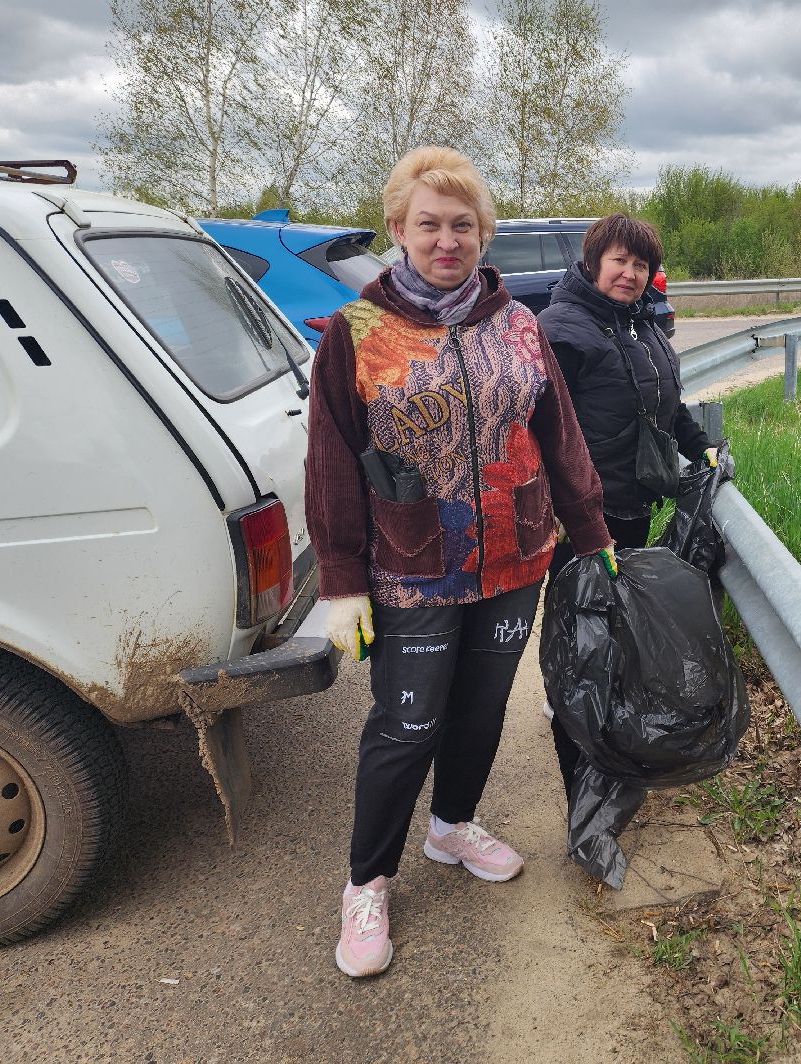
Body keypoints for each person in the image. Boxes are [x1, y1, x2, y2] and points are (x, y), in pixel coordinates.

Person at [305, 146, 616, 978]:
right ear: (399, 230)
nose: (449, 241)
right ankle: (366, 879)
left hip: (516, 556)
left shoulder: (519, 324)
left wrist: (591, 533)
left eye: (465, 226)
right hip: (413, 564)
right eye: (430, 225)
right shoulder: (355, 335)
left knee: (480, 712)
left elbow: (560, 435)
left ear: (484, 234)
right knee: (407, 723)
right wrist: (341, 581)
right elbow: (332, 460)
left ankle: (452, 825)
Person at [536, 213, 719, 801]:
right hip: (583, 518)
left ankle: (617, 746)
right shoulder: (563, 331)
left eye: (641, 265)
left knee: (616, 641)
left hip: (631, 506)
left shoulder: (638, 327)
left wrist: (702, 449)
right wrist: (567, 510)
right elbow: (537, 433)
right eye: (620, 260)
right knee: (585, 645)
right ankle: (583, 779)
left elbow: (664, 409)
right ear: (592, 264)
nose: (631, 273)